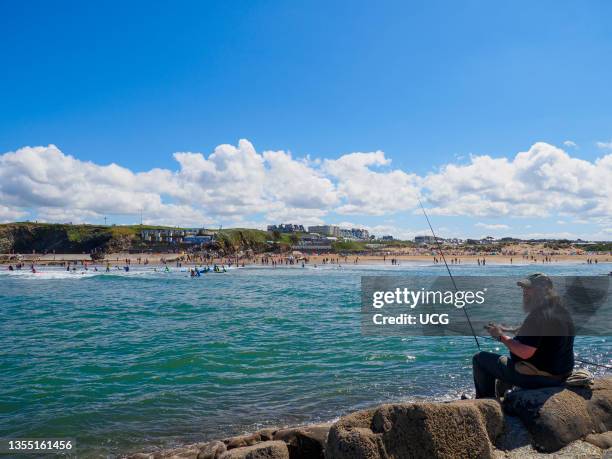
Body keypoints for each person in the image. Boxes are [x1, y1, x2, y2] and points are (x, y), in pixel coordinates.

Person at [472, 273, 575, 399]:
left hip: (541, 378)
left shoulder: (538, 316)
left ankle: (485, 403)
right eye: (524, 288)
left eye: (529, 288)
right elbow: (538, 333)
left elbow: (525, 352)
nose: (524, 291)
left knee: (480, 358)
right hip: (562, 374)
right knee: (507, 368)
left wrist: (501, 336)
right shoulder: (560, 310)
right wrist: (508, 329)